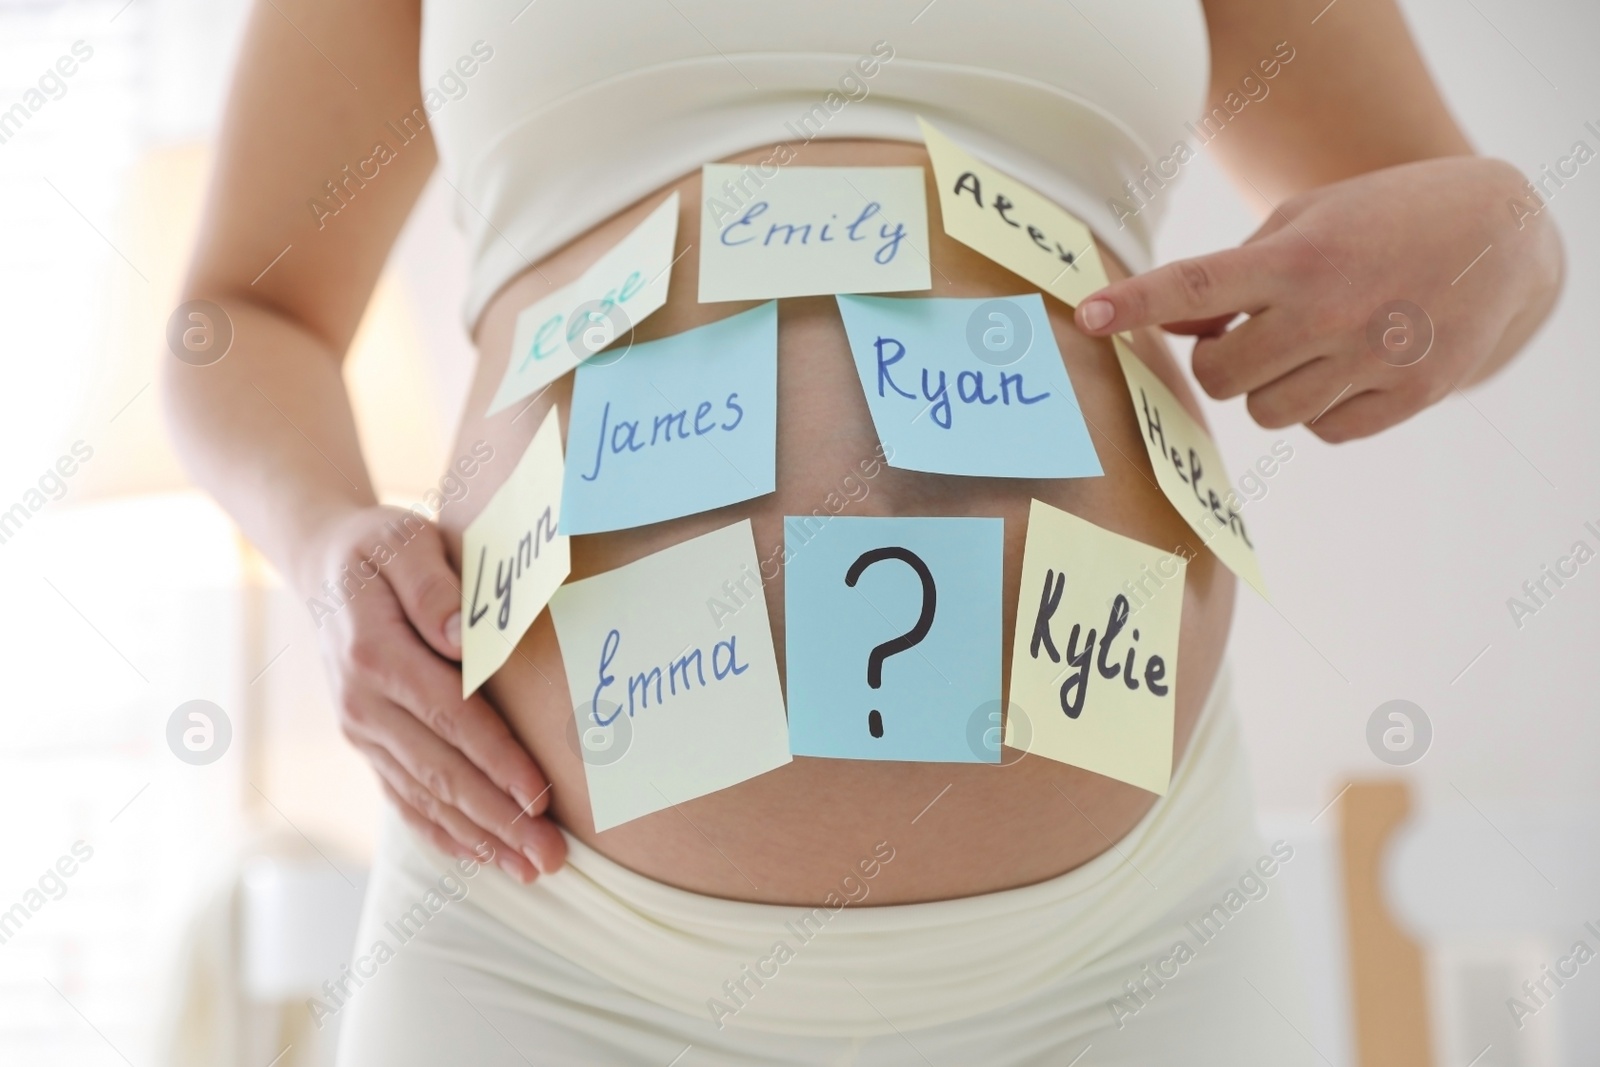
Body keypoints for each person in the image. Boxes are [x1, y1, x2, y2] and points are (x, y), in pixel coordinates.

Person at [164, 0, 1562, 1062]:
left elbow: (1454, 229)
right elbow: (239, 316)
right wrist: (323, 547)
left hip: (1125, 950)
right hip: (544, 953)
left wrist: (1514, 233)